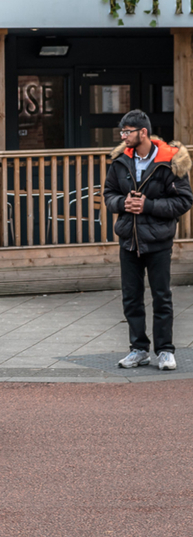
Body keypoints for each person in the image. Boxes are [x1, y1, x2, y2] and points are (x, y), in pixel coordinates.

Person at [104, 109, 192, 370]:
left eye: (127, 131)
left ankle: (165, 350)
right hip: (128, 240)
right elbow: (108, 194)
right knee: (131, 298)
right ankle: (138, 349)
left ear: (143, 132)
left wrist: (148, 205)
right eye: (122, 132)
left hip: (158, 241)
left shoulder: (171, 161)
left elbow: (184, 200)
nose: (123, 136)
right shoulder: (120, 161)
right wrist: (122, 203)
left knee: (162, 297)